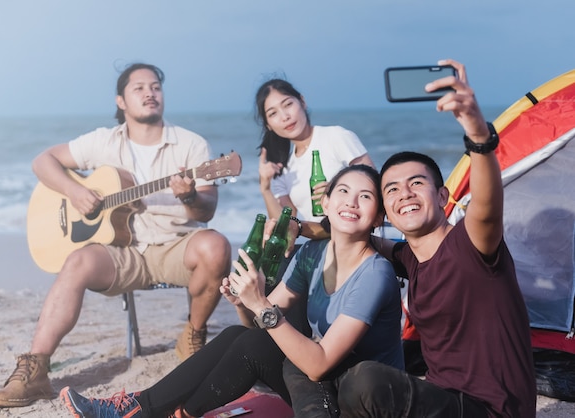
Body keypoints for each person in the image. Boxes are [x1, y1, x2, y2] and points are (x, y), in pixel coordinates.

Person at [59, 164, 404, 418]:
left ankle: (151, 411)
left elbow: (319, 364)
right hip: (319, 383)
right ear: (325, 204)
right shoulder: (312, 254)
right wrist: (244, 301)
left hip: (356, 402)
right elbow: (259, 327)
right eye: (343, 192)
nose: (352, 202)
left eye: (365, 197)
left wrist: (260, 305)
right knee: (243, 336)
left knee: (255, 341)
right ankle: (153, 410)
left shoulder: (375, 273)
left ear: (377, 218)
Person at [0, 63, 232, 408]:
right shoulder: (104, 141)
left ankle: (192, 335)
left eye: (156, 87)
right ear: (121, 101)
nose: (150, 93)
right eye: (139, 88)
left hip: (176, 245)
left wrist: (190, 195)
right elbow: (43, 162)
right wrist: (74, 191)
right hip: (123, 249)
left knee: (217, 245)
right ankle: (35, 369)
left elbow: (207, 210)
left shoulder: (191, 145)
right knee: (77, 262)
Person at [340, 59, 536, 417]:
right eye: (392, 190)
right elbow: (361, 235)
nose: (405, 194)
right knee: (331, 368)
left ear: (443, 197)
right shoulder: (409, 258)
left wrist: (478, 135)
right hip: (445, 401)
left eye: (416, 183)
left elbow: (487, 206)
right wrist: (308, 227)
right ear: (386, 211)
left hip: (493, 410)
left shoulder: (471, 244)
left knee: (364, 381)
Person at [255, 78, 375, 241]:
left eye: (288, 104)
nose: (285, 117)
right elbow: (285, 226)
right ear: (268, 124)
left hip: (359, 238)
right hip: (320, 242)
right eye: (273, 113)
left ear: (302, 102)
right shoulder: (283, 169)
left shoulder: (336, 136)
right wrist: (266, 188)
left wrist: (338, 190)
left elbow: (374, 183)